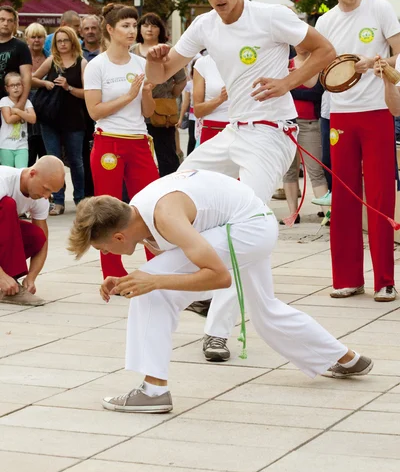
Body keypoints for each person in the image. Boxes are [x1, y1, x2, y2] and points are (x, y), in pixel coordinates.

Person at [144, 0, 336, 361]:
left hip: (271, 134)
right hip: (233, 131)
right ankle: (202, 279)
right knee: (170, 189)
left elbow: (324, 51)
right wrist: (152, 63)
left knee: (241, 224)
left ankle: (217, 330)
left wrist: (288, 82)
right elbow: (163, 78)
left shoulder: (269, 16)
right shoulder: (203, 25)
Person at [68, 170, 373, 413]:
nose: (107, 253)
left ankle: (153, 391)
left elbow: (218, 277)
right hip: (253, 223)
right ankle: (347, 358)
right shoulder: (138, 211)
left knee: (152, 288)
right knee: (266, 312)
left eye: (103, 247)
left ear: (119, 236)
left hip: (247, 228)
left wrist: (154, 282)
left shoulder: (165, 215)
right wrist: (130, 281)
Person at [313, 0, 400, 302]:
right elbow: (316, 62)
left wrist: (378, 62)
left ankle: (384, 280)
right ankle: (348, 278)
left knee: (380, 197)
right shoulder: (326, 20)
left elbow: (398, 52)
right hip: (340, 116)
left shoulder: (379, 8)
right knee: (345, 198)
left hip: (377, 111)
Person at [84, 3, 159, 280]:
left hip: (138, 141)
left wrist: (147, 93)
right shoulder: (96, 66)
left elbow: (148, 112)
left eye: (134, 25)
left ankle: (157, 266)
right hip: (108, 144)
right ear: (110, 29)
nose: (132, 31)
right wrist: (128, 96)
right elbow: (94, 111)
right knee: (108, 211)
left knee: (150, 206)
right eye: (125, 26)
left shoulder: (141, 63)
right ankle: (112, 271)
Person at [32, 27, 87, 215]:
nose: (62, 44)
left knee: (76, 161)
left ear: (73, 42)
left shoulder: (82, 63)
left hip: (73, 119)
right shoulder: (51, 61)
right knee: (53, 160)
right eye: (59, 41)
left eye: (66, 40)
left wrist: (68, 87)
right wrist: (45, 83)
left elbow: (87, 94)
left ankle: (80, 199)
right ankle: (58, 200)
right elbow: (31, 79)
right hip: (50, 118)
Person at [0, 155, 65, 305]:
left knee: (36, 235)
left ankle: (10, 284)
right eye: (46, 189)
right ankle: (7, 284)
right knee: (7, 206)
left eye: (51, 193)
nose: (46, 196)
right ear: (32, 173)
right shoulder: (3, 181)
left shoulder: (40, 197)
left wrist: (31, 277)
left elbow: (43, 241)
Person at [131, 12, 187, 176]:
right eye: (145, 25)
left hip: (162, 111)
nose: (149, 29)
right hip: (137, 109)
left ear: (160, 30)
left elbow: (181, 79)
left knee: (166, 154)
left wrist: (171, 96)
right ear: (139, 29)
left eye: (154, 25)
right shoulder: (132, 51)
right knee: (139, 154)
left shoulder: (167, 51)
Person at [281, 51, 328, 223]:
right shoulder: (285, 63)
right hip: (287, 124)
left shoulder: (316, 62)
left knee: (316, 169)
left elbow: (317, 93)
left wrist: (291, 86)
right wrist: (291, 87)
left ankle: (327, 213)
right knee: (289, 171)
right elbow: (279, 90)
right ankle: (293, 213)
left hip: (310, 124)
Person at [80, 15, 102, 197]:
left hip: (101, 111)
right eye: (86, 28)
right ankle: (87, 195)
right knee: (84, 157)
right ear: (81, 31)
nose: (90, 32)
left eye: (93, 28)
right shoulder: (76, 52)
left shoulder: (105, 53)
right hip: (79, 113)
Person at [0, 73, 36, 168]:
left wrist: (17, 111)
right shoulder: (4, 101)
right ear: (7, 88)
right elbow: (8, 119)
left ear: (23, 86)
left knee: (22, 172)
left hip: (22, 145)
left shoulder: (27, 102)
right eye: (12, 85)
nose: (16, 88)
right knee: (8, 174)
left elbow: (33, 119)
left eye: (18, 85)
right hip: (6, 145)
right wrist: (24, 113)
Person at [24, 22, 48, 166]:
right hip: (24, 112)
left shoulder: (50, 57)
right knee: (28, 158)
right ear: (27, 38)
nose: (36, 40)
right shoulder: (21, 56)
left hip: (46, 112)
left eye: (40, 37)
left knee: (46, 155)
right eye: (33, 37)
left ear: (45, 39)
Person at [193, 54, 229, 144]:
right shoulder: (203, 63)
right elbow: (197, 111)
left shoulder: (246, 58)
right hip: (213, 128)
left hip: (243, 128)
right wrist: (220, 98)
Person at [0, 6, 32, 104]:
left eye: (10, 21)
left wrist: (21, 104)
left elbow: (26, 78)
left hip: (10, 104)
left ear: (14, 24)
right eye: (2, 19)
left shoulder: (21, 47)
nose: (5, 23)